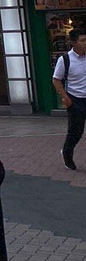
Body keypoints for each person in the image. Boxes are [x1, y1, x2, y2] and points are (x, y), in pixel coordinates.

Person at [53, 28, 86, 170]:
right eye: (83, 40)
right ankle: (67, 153)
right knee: (76, 131)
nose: (85, 43)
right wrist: (64, 97)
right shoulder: (65, 60)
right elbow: (56, 79)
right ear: (73, 43)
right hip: (75, 99)